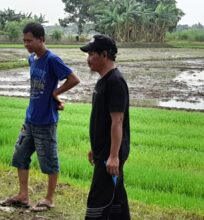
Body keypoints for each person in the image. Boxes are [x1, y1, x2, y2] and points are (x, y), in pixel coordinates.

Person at [1, 22, 80, 212]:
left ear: (41, 39)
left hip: (45, 121)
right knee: (20, 156)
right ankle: (23, 195)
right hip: (30, 118)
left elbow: (73, 79)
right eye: (24, 40)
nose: (26, 44)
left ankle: (49, 199)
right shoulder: (32, 59)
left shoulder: (52, 59)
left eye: (30, 41)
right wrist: (54, 95)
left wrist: (55, 93)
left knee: (49, 161)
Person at [80, 35, 131, 220]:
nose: (88, 59)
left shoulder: (115, 82)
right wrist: (96, 148)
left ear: (105, 55)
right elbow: (101, 121)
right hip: (105, 150)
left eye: (92, 54)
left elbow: (117, 121)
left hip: (111, 153)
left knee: (98, 200)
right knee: (116, 199)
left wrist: (113, 155)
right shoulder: (103, 80)